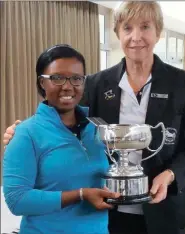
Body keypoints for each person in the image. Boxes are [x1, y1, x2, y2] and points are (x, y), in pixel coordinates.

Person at [3, 2, 185, 234]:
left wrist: (170, 175)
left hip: (165, 209)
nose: (136, 37)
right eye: (127, 28)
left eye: (145, 27)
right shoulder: (96, 83)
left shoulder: (183, 83)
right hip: (107, 210)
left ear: (158, 32)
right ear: (117, 33)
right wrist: (20, 131)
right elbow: (65, 117)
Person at [2, 44, 120, 234]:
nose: (68, 86)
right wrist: (80, 195)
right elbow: (17, 200)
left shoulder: (97, 129)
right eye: (57, 78)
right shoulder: (25, 134)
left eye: (76, 79)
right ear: (42, 83)